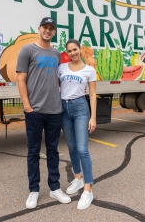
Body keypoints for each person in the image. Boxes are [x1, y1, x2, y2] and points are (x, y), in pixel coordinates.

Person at [16, 17, 71, 209]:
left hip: (55, 110)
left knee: (53, 151)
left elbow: (58, 79)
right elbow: (21, 79)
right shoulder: (28, 50)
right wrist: (27, 106)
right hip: (35, 111)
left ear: (54, 32)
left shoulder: (56, 54)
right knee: (33, 152)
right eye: (45, 27)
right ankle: (34, 190)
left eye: (51, 28)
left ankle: (55, 188)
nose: (48, 31)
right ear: (39, 29)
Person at [58, 39, 97, 210]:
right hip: (64, 109)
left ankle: (88, 189)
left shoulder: (89, 70)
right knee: (72, 147)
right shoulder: (62, 69)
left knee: (82, 149)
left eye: (75, 49)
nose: (73, 53)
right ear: (66, 53)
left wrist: (93, 117)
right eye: (69, 51)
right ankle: (78, 178)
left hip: (81, 108)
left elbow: (94, 95)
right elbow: (58, 88)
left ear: (80, 50)